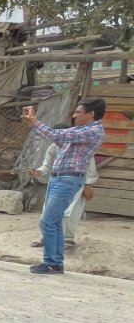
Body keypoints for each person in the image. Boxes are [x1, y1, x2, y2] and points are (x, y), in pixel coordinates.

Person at [21, 97, 105, 274]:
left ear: (91, 114)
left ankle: (52, 262)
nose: (74, 115)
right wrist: (34, 124)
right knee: (55, 222)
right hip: (59, 178)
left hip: (68, 179)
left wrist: (35, 122)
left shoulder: (92, 131)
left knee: (47, 221)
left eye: (78, 112)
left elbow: (57, 135)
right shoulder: (81, 130)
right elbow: (58, 139)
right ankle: (55, 263)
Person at [26, 141, 97, 250]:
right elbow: (47, 165)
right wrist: (37, 171)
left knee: (70, 212)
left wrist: (88, 185)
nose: (57, 144)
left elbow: (90, 170)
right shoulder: (53, 147)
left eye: (60, 141)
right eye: (55, 141)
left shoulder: (82, 148)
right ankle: (45, 238)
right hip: (56, 181)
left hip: (75, 183)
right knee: (49, 210)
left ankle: (68, 239)